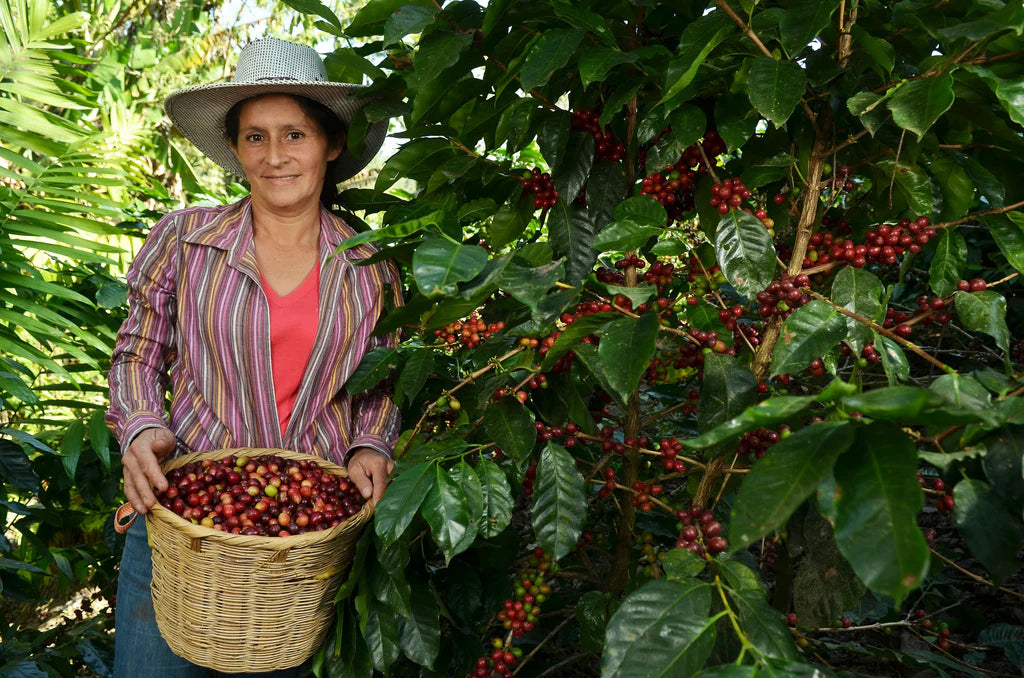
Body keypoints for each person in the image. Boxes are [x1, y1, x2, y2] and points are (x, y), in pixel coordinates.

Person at [105, 37, 401, 677]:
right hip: (181, 531)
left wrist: (372, 444)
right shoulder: (185, 241)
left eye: (294, 134)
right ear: (236, 151)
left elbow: (381, 378)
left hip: (301, 553)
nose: (275, 156)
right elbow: (137, 352)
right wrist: (142, 426)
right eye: (255, 137)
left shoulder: (369, 266)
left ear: (329, 144)